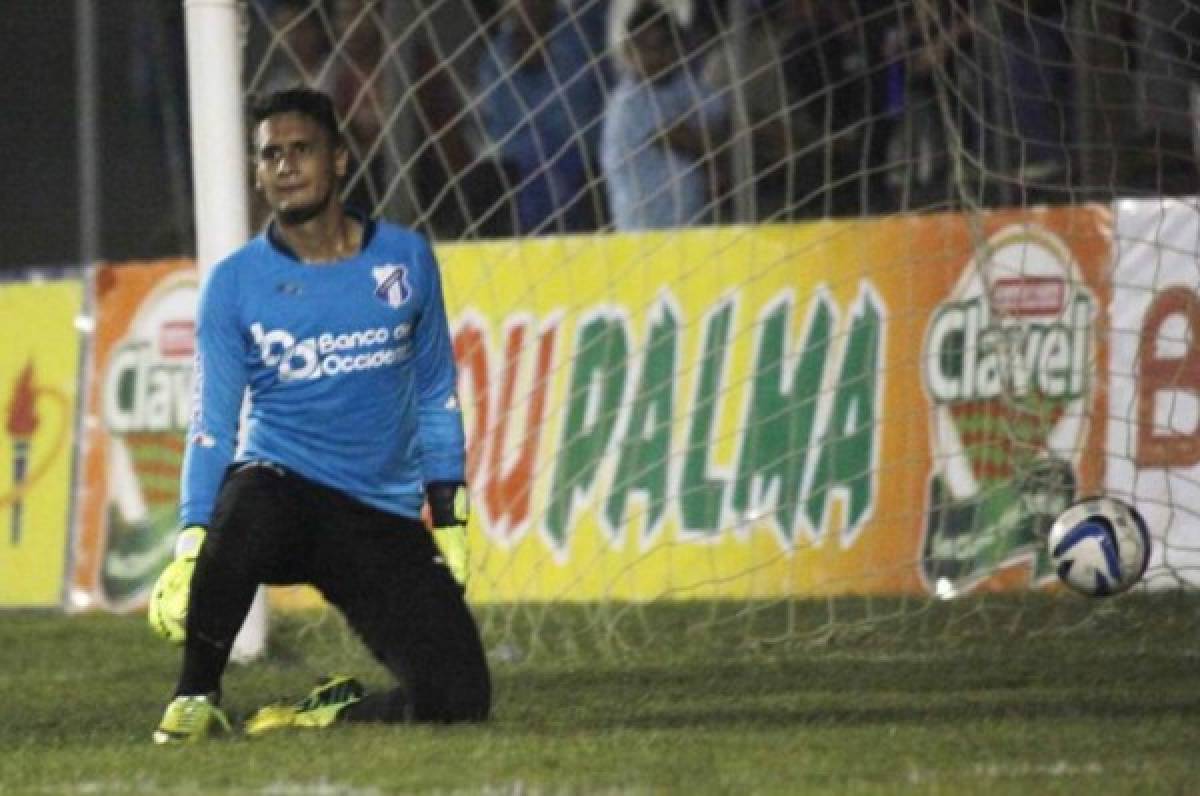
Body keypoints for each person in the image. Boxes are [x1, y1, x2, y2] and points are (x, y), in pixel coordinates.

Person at [150, 87, 491, 744]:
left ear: (339, 159)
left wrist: (448, 515)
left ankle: (324, 712)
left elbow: (435, 393)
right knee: (246, 496)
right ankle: (195, 695)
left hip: (377, 519)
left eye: (300, 149)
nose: (284, 166)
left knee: (459, 698)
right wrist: (192, 541)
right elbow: (212, 426)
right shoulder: (235, 283)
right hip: (281, 497)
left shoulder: (406, 259)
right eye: (270, 154)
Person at [474, 0, 612, 234]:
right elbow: (496, 126)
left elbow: (604, 92)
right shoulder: (495, 58)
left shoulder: (582, 35)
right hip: (520, 168)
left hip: (583, 158)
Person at [601, 1, 730, 230]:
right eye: (645, 47)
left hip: (689, 228)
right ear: (629, 52)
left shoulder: (684, 85)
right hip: (643, 233)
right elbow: (694, 141)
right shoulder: (629, 104)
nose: (654, 56)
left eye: (662, 46)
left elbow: (725, 119)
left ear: (677, 48)